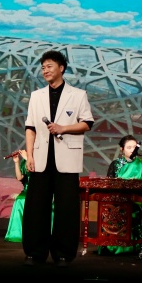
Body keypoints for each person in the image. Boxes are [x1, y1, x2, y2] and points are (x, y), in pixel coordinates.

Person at [22, 50, 94, 267]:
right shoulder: (36, 96)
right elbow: (30, 128)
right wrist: (29, 155)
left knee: (66, 209)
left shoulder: (78, 95)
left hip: (67, 159)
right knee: (36, 208)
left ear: (61, 68)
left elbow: (87, 123)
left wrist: (64, 128)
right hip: (41, 158)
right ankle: (34, 253)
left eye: (49, 66)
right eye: (43, 67)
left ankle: (63, 254)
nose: (45, 70)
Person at [99, 134, 142, 256]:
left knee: (136, 209)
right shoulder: (116, 164)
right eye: (129, 147)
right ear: (122, 149)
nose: (132, 150)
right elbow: (109, 183)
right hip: (118, 201)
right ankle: (112, 244)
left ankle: (137, 245)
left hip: (137, 202)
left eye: (134, 147)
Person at [4, 149, 29, 243]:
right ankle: (18, 233)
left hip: (38, 190)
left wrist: (27, 159)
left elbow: (38, 175)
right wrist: (16, 162)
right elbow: (19, 177)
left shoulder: (40, 160)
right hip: (26, 190)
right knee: (19, 200)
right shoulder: (24, 161)